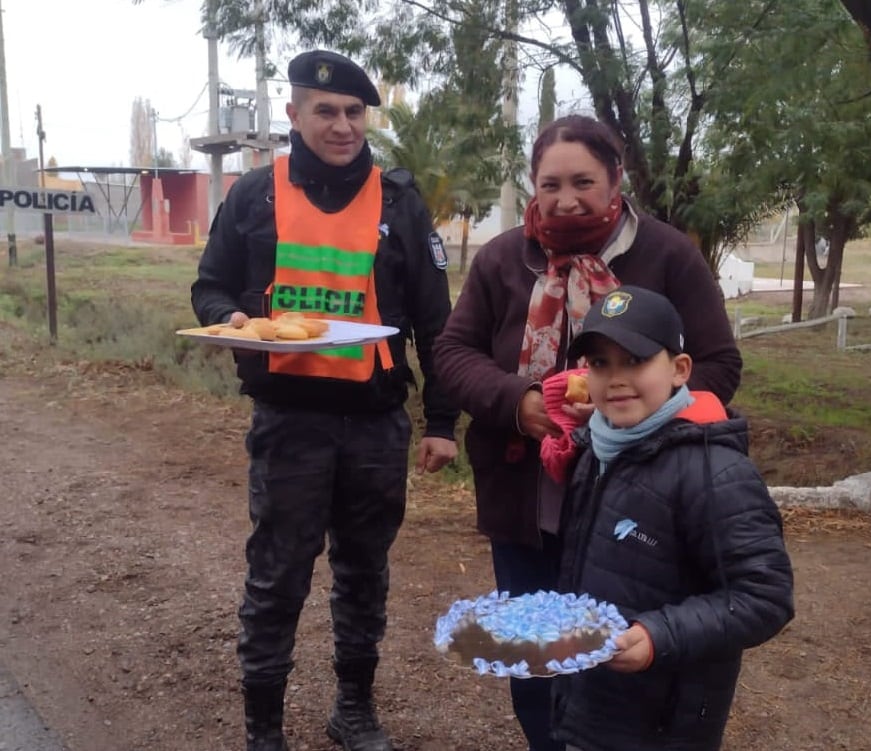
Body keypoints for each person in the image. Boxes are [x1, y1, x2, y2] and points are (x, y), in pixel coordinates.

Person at [432, 115, 743, 751]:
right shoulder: (501, 259)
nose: (566, 198)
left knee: (620, 656)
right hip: (529, 499)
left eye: (583, 181)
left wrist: (635, 416)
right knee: (539, 656)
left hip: (637, 507)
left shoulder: (664, 255)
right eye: (550, 184)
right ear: (531, 185)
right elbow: (453, 351)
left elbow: (717, 364)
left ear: (616, 179)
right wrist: (519, 402)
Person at [191, 50, 459, 751]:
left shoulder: (399, 202)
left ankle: (354, 709)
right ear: (294, 114)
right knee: (277, 573)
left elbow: (435, 323)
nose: (341, 125)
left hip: (375, 422)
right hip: (289, 423)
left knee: (364, 572)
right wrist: (234, 318)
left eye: (353, 112)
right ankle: (264, 728)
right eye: (325, 111)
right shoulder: (255, 194)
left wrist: (441, 423)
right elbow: (210, 286)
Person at [553, 285, 794, 751]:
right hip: (590, 702)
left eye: (635, 360)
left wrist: (658, 636)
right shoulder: (596, 450)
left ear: (680, 370)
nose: (616, 378)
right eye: (600, 363)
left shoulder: (715, 472)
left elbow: (765, 597)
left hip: (665, 724)